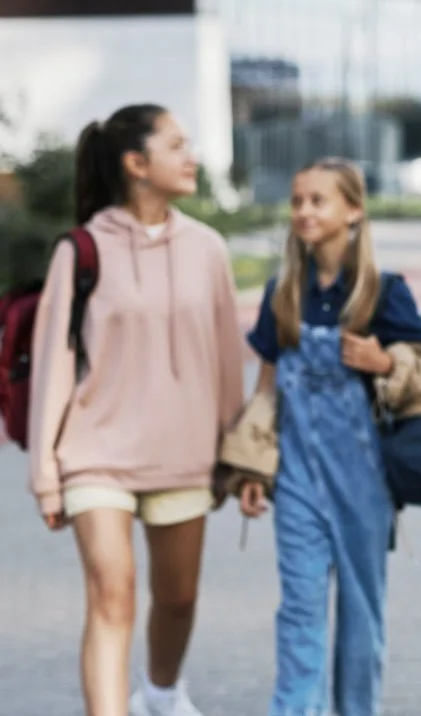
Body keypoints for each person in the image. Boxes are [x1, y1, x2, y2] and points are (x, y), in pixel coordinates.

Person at [26, 104, 244, 716]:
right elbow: (55, 365)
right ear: (136, 163)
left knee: (177, 598)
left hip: (184, 456)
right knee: (111, 596)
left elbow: (228, 360)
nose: (191, 156)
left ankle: (163, 692)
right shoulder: (83, 249)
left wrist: (237, 456)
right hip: (97, 456)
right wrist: (46, 472)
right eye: (178, 145)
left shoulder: (208, 249)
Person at [233, 157, 421, 716]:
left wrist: (382, 359)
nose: (303, 211)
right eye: (297, 200)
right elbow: (267, 388)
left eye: (317, 200)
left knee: (361, 618)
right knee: (298, 612)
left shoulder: (382, 292)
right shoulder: (283, 293)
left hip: (364, 487)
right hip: (296, 483)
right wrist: (252, 468)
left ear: (354, 210)